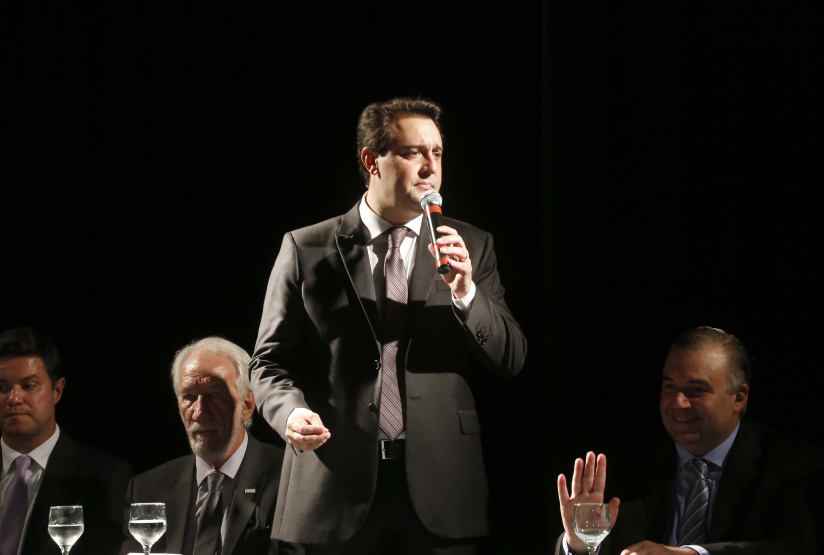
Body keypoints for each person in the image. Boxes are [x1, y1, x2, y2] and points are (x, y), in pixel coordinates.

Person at [250, 97, 527, 553]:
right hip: (333, 486)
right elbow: (267, 362)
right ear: (370, 160)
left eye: (437, 153)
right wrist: (290, 414)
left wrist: (465, 293)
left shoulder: (472, 245)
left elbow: (511, 358)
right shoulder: (306, 248)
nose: (429, 167)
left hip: (442, 492)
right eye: (412, 152)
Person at [556, 326, 824, 555]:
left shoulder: (789, 463)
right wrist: (580, 545)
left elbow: (796, 547)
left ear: (739, 397)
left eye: (696, 390)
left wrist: (690, 554)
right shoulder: (625, 462)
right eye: (670, 387)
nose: (678, 403)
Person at [120, 337, 290, 555]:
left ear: (247, 405)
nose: (199, 412)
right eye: (189, 396)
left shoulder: (289, 480)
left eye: (216, 394)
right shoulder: (146, 488)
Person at [0, 326, 132, 555]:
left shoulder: (104, 477)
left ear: (57, 390)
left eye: (28, 386)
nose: (14, 398)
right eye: (2, 387)